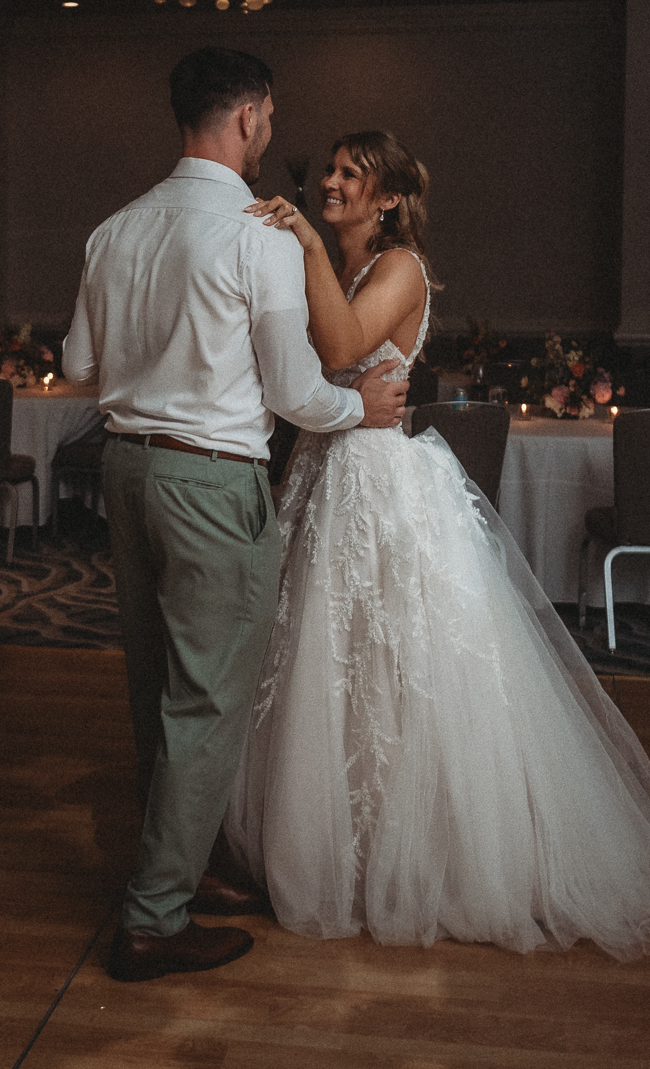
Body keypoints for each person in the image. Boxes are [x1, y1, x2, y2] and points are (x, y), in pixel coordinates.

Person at [230, 131, 650, 959]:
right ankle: (313, 837)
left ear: (389, 200)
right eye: (329, 170)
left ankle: (399, 854)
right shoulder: (341, 270)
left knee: (383, 661)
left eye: (348, 175)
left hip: (371, 480)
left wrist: (299, 235)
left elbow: (339, 350)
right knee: (316, 658)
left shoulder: (398, 265)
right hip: (322, 468)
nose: (329, 182)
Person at [60, 49, 409, 983]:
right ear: (251, 116)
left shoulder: (114, 229)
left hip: (124, 473)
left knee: (156, 686)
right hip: (210, 481)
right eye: (270, 119)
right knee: (207, 698)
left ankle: (190, 863)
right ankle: (153, 918)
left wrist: (155, 364)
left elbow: (80, 368)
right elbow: (300, 391)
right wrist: (359, 411)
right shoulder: (258, 236)